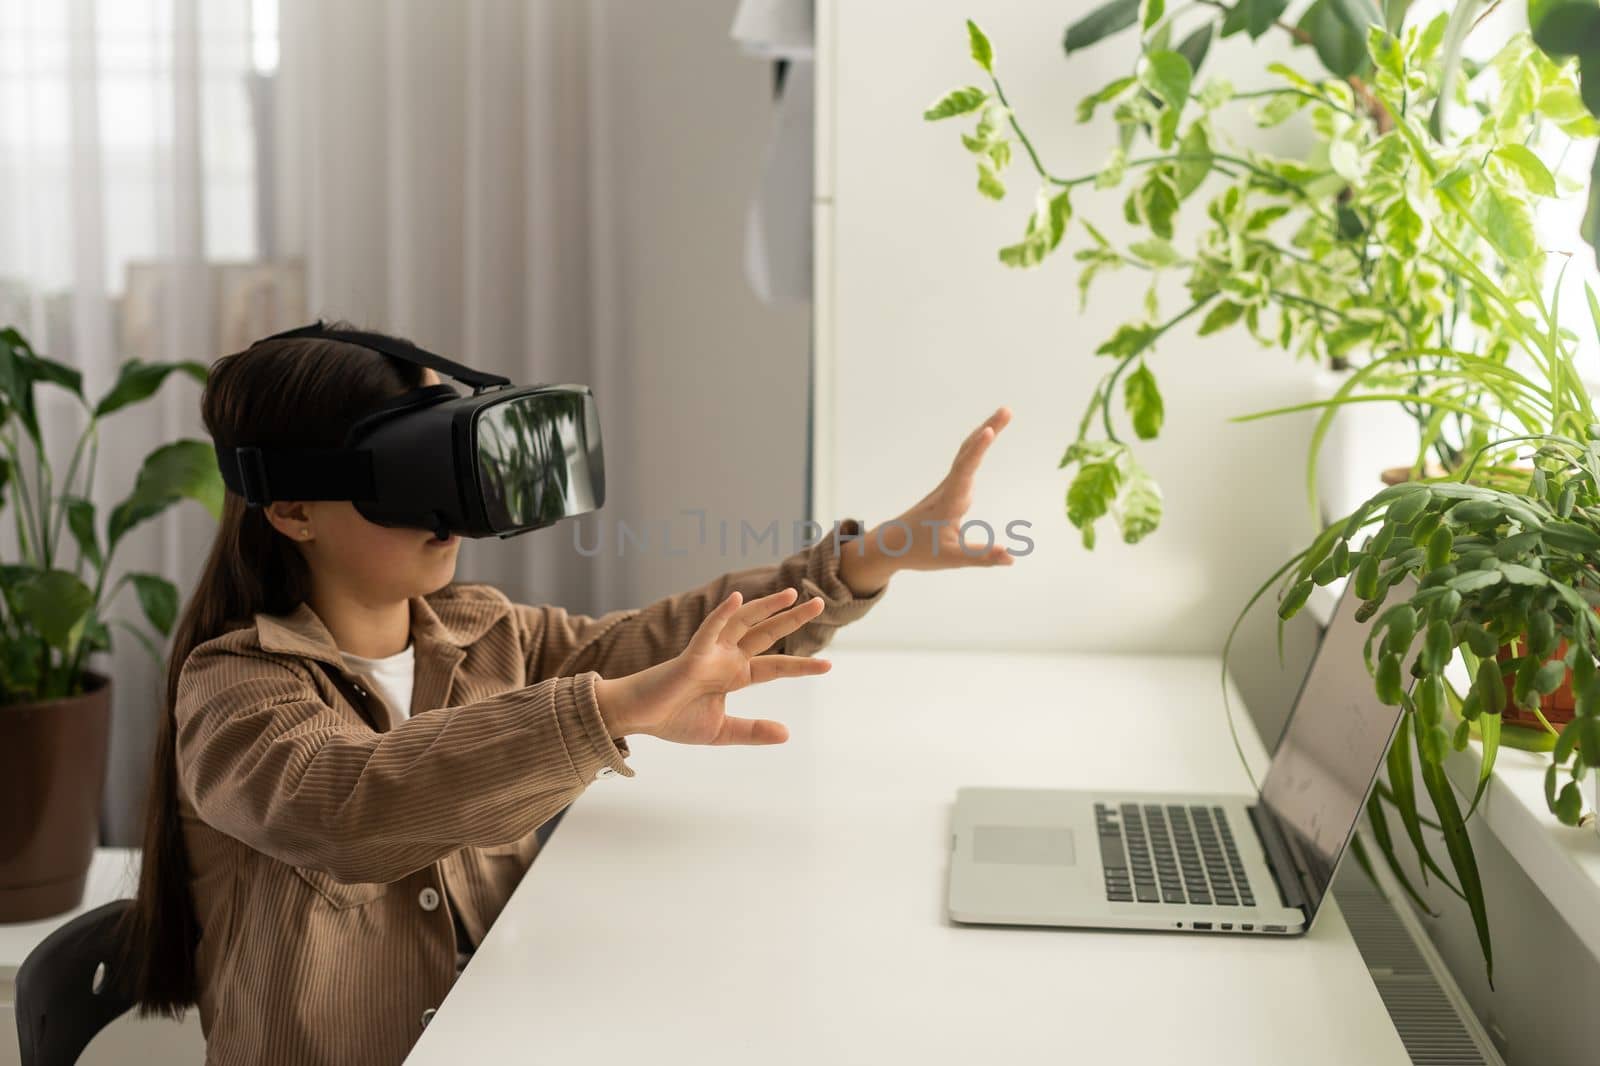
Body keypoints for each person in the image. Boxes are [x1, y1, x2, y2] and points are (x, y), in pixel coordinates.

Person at [118, 325, 1014, 1065]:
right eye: (412, 472)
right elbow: (350, 805)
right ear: (293, 510)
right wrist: (613, 712)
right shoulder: (233, 692)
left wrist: (874, 554)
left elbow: (649, 644)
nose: (452, 507)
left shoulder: (485, 631)